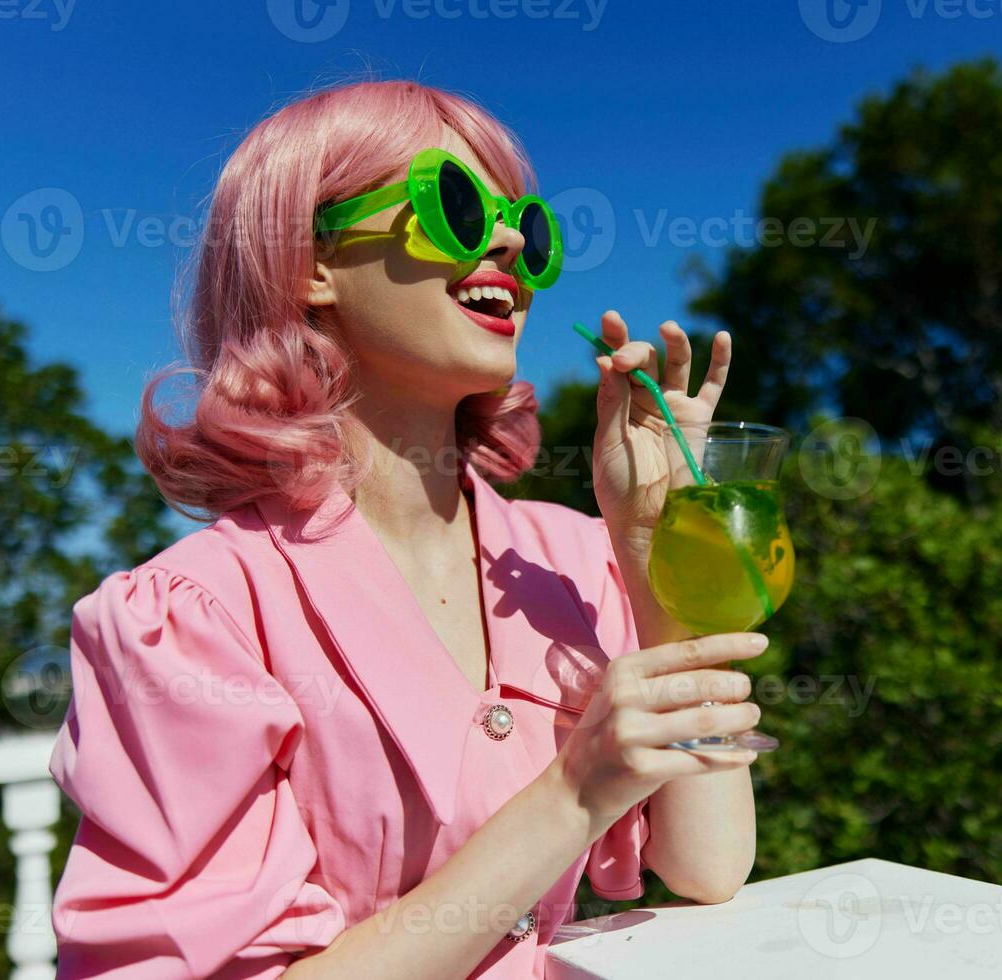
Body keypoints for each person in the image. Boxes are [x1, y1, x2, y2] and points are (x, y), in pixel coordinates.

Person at [47, 78, 764, 978]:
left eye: (527, 227)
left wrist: (650, 547)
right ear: (309, 262)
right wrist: (573, 793)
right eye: (457, 208)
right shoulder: (199, 614)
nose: (508, 242)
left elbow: (708, 866)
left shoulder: (570, 558)